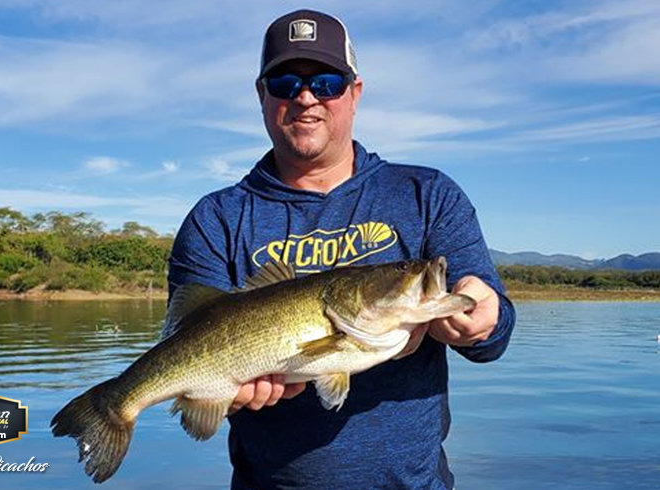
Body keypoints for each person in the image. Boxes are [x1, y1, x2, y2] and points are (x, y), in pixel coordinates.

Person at [167, 9, 516, 490]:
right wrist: (225, 394)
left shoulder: (427, 194)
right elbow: (186, 336)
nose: (306, 98)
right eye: (285, 82)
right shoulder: (215, 219)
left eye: (327, 82)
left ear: (354, 93)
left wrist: (485, 320)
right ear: (261, 96)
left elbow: (494, 338)